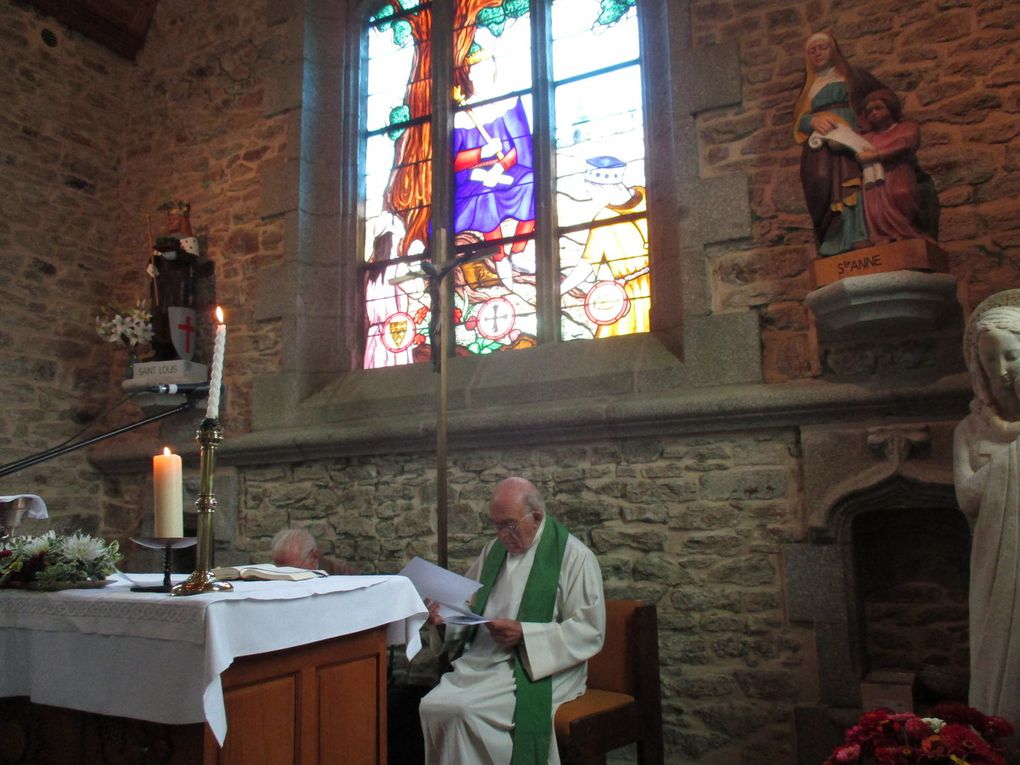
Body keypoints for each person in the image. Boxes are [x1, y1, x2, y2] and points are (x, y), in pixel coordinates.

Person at [418, 477, 605, 764]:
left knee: (462, 710)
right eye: (496, 525)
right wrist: (443, 620)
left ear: (537, 517)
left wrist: (525, 634)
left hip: (541, 667)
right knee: (432, 705)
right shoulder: (492, 552)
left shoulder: (574, 556)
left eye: (509, 524)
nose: (502, 535)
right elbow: (467, 607)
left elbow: (589, 631)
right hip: (485, 662)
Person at [953, 289, 1020, 730]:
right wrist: (1007, 465)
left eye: (1011, 356)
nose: (1001, 371)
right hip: (994, 564)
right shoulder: (970, 429)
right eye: (989, 361)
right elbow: (968, 497)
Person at [793, 32, 887, 257]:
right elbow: (799, 120)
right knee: (821, 181)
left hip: (852, 138)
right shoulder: (809, 87)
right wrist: (813, 120)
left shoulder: (853, 76)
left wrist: (863, 126)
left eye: (822, 47)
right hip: (821, 147)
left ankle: (859, 235)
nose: (817, 53)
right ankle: (833, 237)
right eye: (812, 50)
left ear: (833, 49)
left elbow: (879, 99)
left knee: (854, 181)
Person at [452, 45, 536, 285]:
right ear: (468, 77)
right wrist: (480, 154)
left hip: (508, 168)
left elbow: (520, 144)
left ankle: (519, 252)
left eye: (488, 70)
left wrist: (500, 167)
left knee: (532, 184)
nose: (484, 77)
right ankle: (499, 257)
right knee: (485, 195)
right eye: (477, 73)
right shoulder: (461, 114)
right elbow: (453, 162)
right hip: (474, 179)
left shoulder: (508, 102)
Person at [559, 156, 650, 338]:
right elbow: (586, 265)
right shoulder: (602, 219)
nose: (592, 196)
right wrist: (556, 292)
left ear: (604, 187)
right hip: (629, 295)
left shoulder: (650, 196)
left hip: (658, 288)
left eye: (591, 190)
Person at [857, 89, 926, 244]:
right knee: (874, 210)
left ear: (891, 108)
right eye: (869, 111)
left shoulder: (907, 127)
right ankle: (883, 236)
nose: (874, 113)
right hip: (873, 179)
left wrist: (876, 155)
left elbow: (906, 143)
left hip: (899, 171)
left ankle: (906, 232)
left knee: (902, 194)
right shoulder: (867, 137)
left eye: (878, 108)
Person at [270, 527, 354, 574]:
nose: (285, 575)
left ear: (314, 557)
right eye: (279, 569)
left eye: (293, 570)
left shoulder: (344, 577)